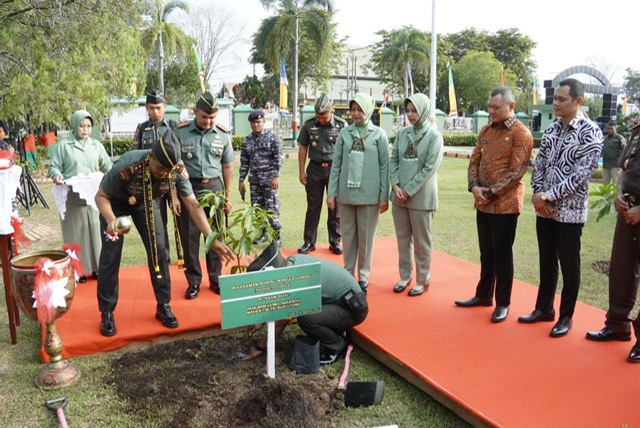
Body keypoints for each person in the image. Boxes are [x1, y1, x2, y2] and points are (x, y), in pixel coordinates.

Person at [94, 131, 234, 336]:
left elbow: (193, 205)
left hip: (145, 203)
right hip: (115, 206)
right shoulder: (126, 166)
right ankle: (106, 312)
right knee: (111, 255)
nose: (163, 174)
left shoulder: (177, 170)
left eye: (167, 170)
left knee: (160, 249)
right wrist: (110, 220)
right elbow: (101, 196)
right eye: (159, 168)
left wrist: (211, 237)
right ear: (150, 156)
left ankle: (163, 305)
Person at [518, 78, 604, 337]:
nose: (555, 103)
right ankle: (544, 309)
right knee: (547, 261)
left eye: (561, 100)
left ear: (578, 101)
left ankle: (566, 316)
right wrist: (537, 195)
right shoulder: (552, 130)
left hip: (570, 212)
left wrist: (547, 197)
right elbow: (540, 164)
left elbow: (580, 176)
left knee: (569, 265)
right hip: (544, 208)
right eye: (554, 98)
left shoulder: (591, 132)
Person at [455, 87, 534, 321]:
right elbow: (474, 161)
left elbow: (517, 171)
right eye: (489, 107)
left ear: (511, 106)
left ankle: (503, 303)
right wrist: (474, 187)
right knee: (486, 253)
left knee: (502, 254)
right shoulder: (486, 129)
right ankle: (483, 295)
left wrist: (489, 192)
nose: (491, 111)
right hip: (483, 202)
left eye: (496, 108)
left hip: (506, 204)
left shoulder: (521, 134)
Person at [244, 242, 368, 365]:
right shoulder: (293, 261)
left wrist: (260, 347)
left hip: (353, 308)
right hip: (344, 299)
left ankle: (336, 346)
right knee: (310, 311)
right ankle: (335, 327)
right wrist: (261, 320)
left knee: (306, 318)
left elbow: (280, 322)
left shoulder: (296, 282)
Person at [586, 120, 640, 363]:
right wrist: (619, 195)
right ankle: (618, 325)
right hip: (627, 211)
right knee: (621, 269)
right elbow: (624, 170)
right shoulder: (637, 132)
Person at [327, 93, 390, 290]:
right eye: (353, 110)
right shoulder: (345, 134)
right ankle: (347, 272)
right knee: (348, 235)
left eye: (360, 110)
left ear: (368, 111)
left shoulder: (379, 134)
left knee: (366, 237)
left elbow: (384, 167)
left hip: (370, 196)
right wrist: (332, 193)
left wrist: (383, 196)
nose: (355, 113)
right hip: (346, 194)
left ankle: (363, 274)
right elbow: (336, 165)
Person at [177, 91, 235, 299]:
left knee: (215, 234)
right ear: (195, 112)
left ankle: (216, 278)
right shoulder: (181, 132)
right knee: (190, 237)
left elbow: (228, 166)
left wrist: (227, 196)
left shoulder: (222, 133)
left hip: (215, 188)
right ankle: (193, 282)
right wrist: (175, 195)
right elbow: (173, 166)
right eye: (204, 117)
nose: (209, 121)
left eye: (212, 118)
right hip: (188, 187)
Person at [389, 93, 444, 297]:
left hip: (421, 199)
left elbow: (429, 168)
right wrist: (395, 186)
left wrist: (409, 190)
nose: (410, 115)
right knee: (403, 239)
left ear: (424, 111)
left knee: (422, 242)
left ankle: (422, 279)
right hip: (399, 197)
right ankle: (405, 276)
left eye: (414, 111)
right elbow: (393, 160)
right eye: (408, 111)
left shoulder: (434, 137)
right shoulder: (403, 134)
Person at [49, 110, 113, 282]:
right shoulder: (63, 146)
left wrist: (112, 176)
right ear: (74, 126)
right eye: (82, 126)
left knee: (96, 233)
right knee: (76, 234)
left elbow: (107, 165)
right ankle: (79, 270)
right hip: (73, 198)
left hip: (94, 198)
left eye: (88, 126)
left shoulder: (96, 145)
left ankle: (99, 268)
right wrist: (56, 175)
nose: (85, 129)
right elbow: (54, 167)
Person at [297, 93, 347, 255]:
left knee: (335, 208)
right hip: (315, 169)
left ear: (332, 112)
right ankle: (309, 242)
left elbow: (347, 150)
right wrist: (301, 170)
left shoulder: (341, 125)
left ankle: (335, 241)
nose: (321, 119)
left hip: (335, 169)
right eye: (318, 116)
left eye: (324, 117)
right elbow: (303, 147)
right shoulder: (309, 125)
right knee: (313, 208)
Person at [132, 90, 178, 264]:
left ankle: (183, 257)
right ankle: (163, 257)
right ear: (147, 108)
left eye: (159, 107)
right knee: (158, 224)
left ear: (165, 107)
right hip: (152, 183)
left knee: (180, 221)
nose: (155, 111)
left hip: (172, 181)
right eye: (152, 108)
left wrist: (176, 189)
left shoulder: (174, 126)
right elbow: (136, 155)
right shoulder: (142, 129)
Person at [238, 109, 283, 246]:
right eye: (253, 123)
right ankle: (261, 234)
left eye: (258, 122)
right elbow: (244, 161)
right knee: (257, 209)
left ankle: (276, 236)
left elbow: (278, 158)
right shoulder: (247, 141)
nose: (256, 125)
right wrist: (241, 180)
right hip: (255, 181)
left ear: (264, 122)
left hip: (269, 181)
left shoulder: (272, 137)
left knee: (272, 208)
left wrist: (275, 176)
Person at [601, 121, 626, 186]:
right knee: (605, 184)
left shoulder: (620, 138)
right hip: (606, 165)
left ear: (615, 129)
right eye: (608, 128)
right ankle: (607, 196)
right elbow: (601, 150)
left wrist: (621, 161)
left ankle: (616, 196)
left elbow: (624, 150)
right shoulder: (604, 139)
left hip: (615, 165)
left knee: (616, 183)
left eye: (612, 128)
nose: (610, 130)